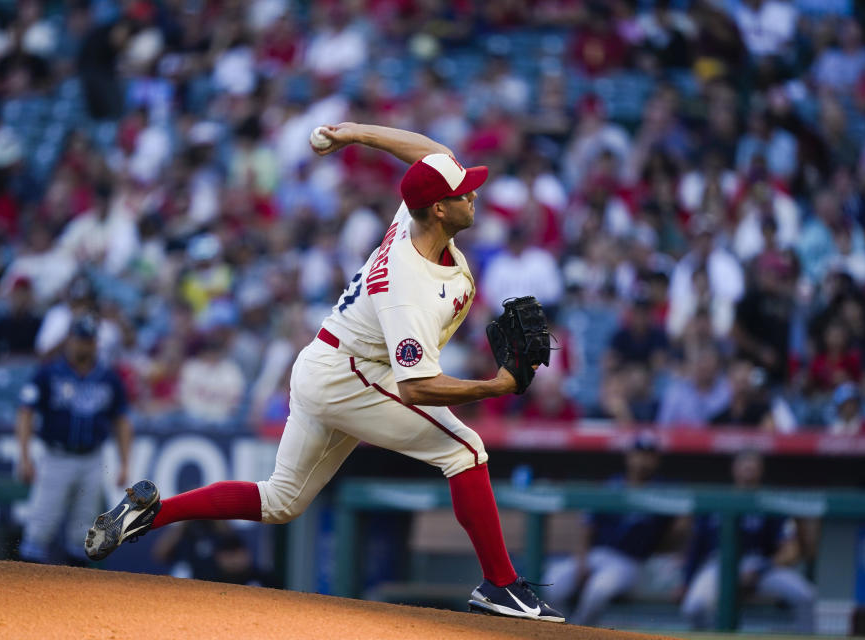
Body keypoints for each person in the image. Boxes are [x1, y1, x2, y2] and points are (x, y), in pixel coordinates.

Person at [83, 123, 564, 622]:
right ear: (440, 209)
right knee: (464, 451)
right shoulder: (408, 286)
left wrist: (355, 132)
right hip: (351, 375)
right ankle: (501, 586)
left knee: (281, 501)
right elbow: (417, 386)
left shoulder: (413, 216)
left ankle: (153, 513)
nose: (476, 193)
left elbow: (433, 154)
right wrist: (496, 386)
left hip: (328, 363)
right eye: (465, 192)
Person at [16, 315, 132, 566]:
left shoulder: (108, 378)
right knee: (40, 527)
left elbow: (121, 421)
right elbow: (26, 412)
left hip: (92, 459)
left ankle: (74, 601)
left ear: (95, 343)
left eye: (88, 340)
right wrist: (24, 457)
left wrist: (124, 463)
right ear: (69, 340)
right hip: (56, 457)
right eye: (79, 339)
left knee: (82, 534)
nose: (84, 345)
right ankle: (22, 595)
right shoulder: (49, 373)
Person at [541, 432, 678, 626]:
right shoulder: (612, 485)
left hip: (630, 561)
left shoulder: (664, 490)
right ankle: (557, 629)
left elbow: (680, 528)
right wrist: (582, 560)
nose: (642, 460)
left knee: (598, 590)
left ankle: (579, 633)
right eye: (638, 453)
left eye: (648, 455)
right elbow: (588, 525)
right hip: (598, 553)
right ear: (629, 456)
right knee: (552, 582)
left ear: (657, 460)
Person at [680, 451, 816, 632]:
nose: (748, 470)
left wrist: (760, 570)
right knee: (694, 607)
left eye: (753, 466)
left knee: (807, 596)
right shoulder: (716, 501)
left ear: (761, 471)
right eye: (744, 465)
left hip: (760, 566)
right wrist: (686, 581)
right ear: (734, 469)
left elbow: (790, 550)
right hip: (719, 565)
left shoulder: (772, 504)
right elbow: (695, 546)